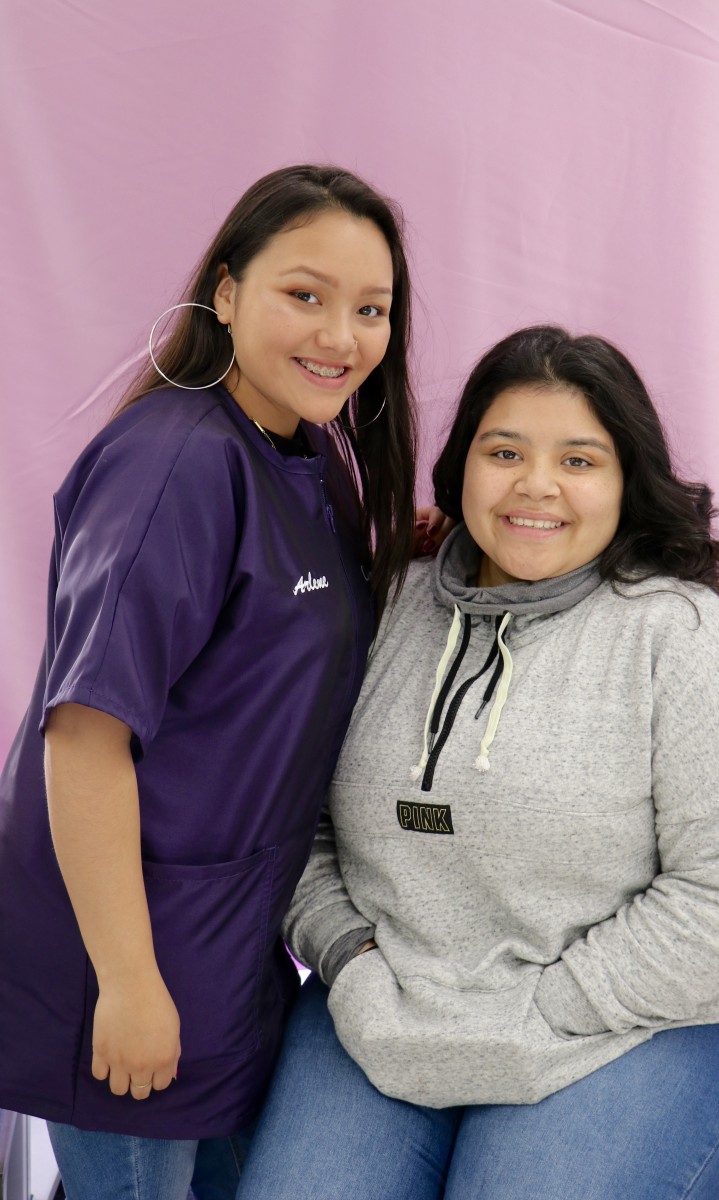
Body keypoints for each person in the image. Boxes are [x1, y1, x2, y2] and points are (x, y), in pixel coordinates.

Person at [237, 325, 719, 1200]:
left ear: (625, 481)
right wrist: (348, 958)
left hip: (634, 1023)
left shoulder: (678, 636)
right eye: (505, 451)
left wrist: (546, 1011)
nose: (537, 485)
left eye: (580, 460)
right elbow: (294, 823)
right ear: (462, 465)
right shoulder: (385, 601)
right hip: (388, 1006)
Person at [0, 164, 418, 1200]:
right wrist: (131, 984)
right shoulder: (175, 464)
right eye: (304, 295)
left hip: (228, 949)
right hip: (130, 956)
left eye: (369, 309)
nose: (340, 336)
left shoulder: (297, 451)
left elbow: (271, 633)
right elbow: (84, 738)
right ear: (226, 293)